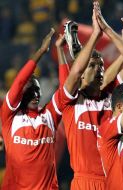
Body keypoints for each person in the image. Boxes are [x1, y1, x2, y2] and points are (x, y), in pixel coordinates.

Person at [58, 2, 123, 189]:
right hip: (85, 182)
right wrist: (95, 34)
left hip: (114, 179)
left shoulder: (112, 96)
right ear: (83, 70)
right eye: (92, 65)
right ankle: (80, 52)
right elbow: (75, 75)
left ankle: (81, 53)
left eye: (101, 66)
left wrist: (121, 41)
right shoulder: (71, 100)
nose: (99, 69)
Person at [0, 29, 69, 190]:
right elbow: (18, 83)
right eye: (30, 90)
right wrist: (41, 51)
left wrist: (59, 50)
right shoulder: (9, 116)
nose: (35, 94)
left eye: (37, 90)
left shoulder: (50, 114)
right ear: (21, 94)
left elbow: (65, 88)